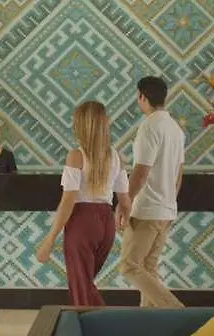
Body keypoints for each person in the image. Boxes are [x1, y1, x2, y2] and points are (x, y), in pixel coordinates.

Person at [36, 101, 130, 306]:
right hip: (106, 224)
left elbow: (67, 202)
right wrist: (123, 217)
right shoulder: (117, 157)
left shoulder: (76, 156)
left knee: (81, 287)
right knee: (85, 285)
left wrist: (49, 240)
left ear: (81, 125)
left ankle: (106, 323)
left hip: (82, 221)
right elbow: (125, 200)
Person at [116, 76, 185, 308]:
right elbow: (179, 174)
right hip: (166, 210)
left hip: (146, 210)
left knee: (129, 266)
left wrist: (125, 202)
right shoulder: (175, 129)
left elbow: (140, 172)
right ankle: (149, 319)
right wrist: (169, 202)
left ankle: (175, 310)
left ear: (142, 97)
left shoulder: (149, 126)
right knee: (148, 268)